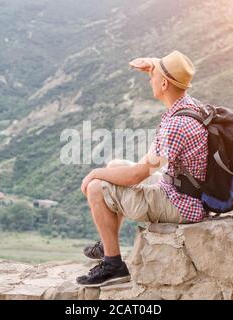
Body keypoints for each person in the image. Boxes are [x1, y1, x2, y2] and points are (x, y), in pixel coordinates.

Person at [77, 51, 209, 287]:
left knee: (96, 187)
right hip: (188, 192)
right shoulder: (191, 106)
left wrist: (93, 174)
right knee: (115, 165)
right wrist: (154, 66)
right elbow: (137, 170)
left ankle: (113, 265)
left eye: (153, 76)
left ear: (165, 83)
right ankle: (108, 244)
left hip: (180, 204)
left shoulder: (175, 126)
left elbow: (138, 175)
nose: (150, 80)